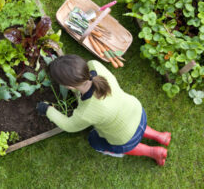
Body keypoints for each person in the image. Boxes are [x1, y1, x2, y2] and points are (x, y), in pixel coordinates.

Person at [37, 55, 171, 166]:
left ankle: (153, 152)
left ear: (69, 86)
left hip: (123, 137)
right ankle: (160, 136)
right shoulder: (95, 65)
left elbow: (69, 125)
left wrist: (48, 109)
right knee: (132, 124)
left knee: (94, 141)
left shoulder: (86, 112)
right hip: (137, 111)